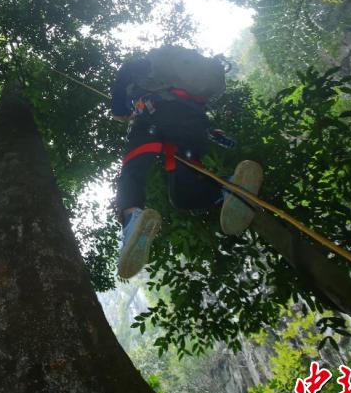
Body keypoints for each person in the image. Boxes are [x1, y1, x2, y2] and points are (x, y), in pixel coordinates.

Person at [111, 45, 263, 279]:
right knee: (183, 195)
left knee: (133, 167)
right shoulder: (175, 77)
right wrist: (211, 134)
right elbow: (185, 111)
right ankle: (226, 190)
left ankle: (131, 217)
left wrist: (119, 109)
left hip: (154, 116)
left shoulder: (143, 67)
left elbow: (126, 71)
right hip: (192, 125)